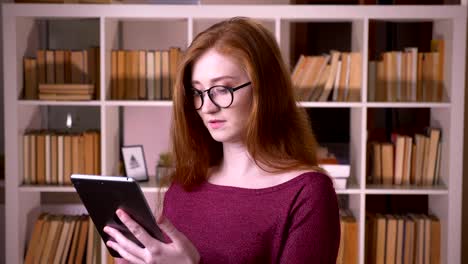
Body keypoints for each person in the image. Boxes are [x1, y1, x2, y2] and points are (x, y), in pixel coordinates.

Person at [104, 17, 340, 264]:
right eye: (197, 92)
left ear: (266, 88)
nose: (206, 107)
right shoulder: (184, 185)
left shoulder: (308, 193)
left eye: (221, 89)